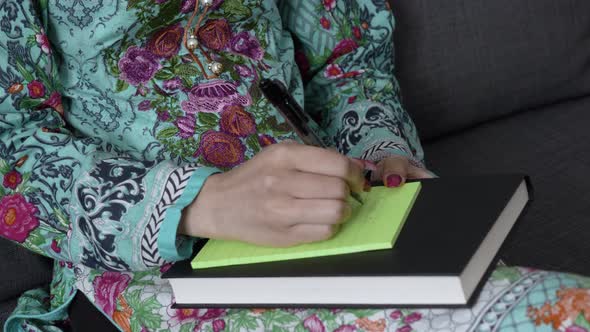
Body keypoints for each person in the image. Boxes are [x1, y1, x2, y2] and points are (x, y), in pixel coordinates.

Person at [1, 1, 589, 331]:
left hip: (346, 206)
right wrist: (203, 203)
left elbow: (346, 61)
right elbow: (11, 144)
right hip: (152, 262)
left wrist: (381, 150)